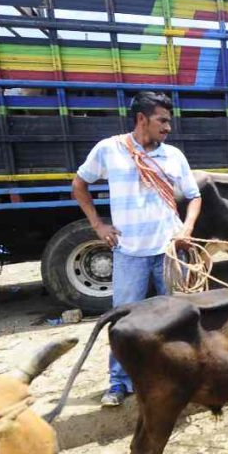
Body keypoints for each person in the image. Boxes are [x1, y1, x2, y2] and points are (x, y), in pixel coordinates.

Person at [72, 91, 202, 407]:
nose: (168, 127)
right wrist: (98, 226)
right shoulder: (109, 150)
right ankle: (119, 383)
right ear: (141, 119)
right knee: (123, 322)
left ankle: (178, 377)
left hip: (169, 253)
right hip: (129, 252)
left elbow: (194, 196)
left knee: (177, 318)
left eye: (169, 121)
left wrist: (186, 229)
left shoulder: (174, 156)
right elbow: (79, 184)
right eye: (162, 120)